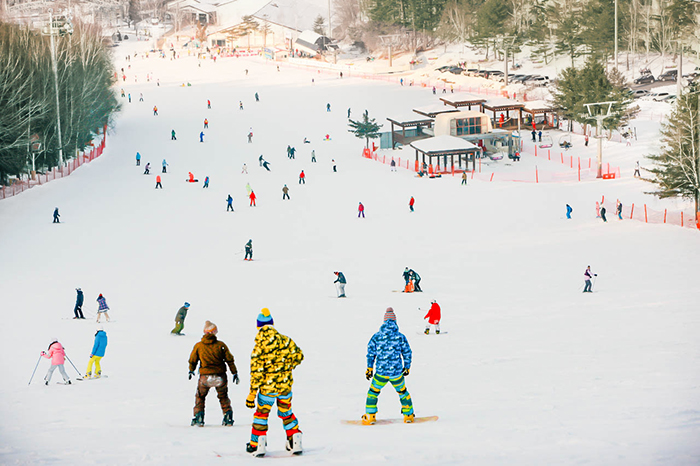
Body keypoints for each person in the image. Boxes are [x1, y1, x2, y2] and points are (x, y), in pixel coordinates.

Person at [245, 308, 304, 457]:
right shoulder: (285, 340)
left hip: (267, 389)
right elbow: (299, 355)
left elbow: (256, 372)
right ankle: (294, 439)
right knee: (287, 413)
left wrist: (252, 393)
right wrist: (288, 366)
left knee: (262, 414)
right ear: (272, 323)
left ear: (258, 326)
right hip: (285, 387)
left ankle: (257, 443)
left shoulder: (259, 346)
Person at [362, 308, 414, 425]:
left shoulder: (376, 337)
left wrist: (369, 368)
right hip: (396, 373)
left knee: (373, 393)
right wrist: (407, 366)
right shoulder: (400, 337)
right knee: (403, 392)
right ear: (395, 322)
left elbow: (370, 353)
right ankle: (408, 415)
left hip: (381, 373)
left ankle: (370, 416)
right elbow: (407, 352)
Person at [189, 321, 239, 427]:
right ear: (214, 332)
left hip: (205, 377)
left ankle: (199, 417)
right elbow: (230, 360)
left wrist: (191, 370)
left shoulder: (199, 346)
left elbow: (193, 360)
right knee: (223, 396)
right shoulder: (221, 345)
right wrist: (234, 372)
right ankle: (228, 417)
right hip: (220, 376)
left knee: (200, 396)